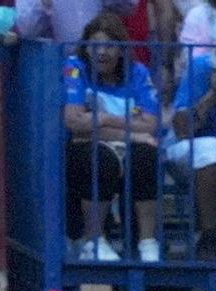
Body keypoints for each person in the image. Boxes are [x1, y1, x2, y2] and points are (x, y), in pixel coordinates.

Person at [61, 12, 161, 262]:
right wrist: (131, 134)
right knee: (101, 159)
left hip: (121, 143)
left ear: (122, 50)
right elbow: (74, 123)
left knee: (147, 155)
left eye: (110, 45)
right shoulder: (75, 67)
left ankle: (147, 242)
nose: (102, 52)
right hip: (87, 147)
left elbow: (150, 125)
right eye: (95, 45)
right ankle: (94, 240)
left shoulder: (138, 72)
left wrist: (102, 119)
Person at [166, 40, 216, 260]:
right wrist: (213, 95)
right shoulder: (201, 67)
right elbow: (181, 130)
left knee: (215, 148)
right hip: (190, 150)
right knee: (211, 146)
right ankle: (208, 237)